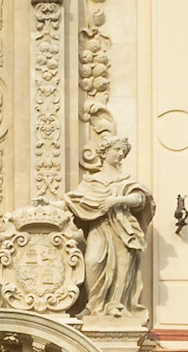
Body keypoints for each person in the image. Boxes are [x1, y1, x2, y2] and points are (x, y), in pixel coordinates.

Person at [65, 136, 153, 317]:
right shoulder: (91, 182)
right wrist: (47, 205)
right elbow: (74, 203)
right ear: (105, 153)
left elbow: (140, 199)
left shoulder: (125, 180)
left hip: (123, 228)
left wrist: (116, 200)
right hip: (99, 228)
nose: (120, 154)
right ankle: (94, 305)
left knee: (122, 267)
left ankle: (115, 304)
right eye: (117, 150)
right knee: (92, 261)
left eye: (123, 151)